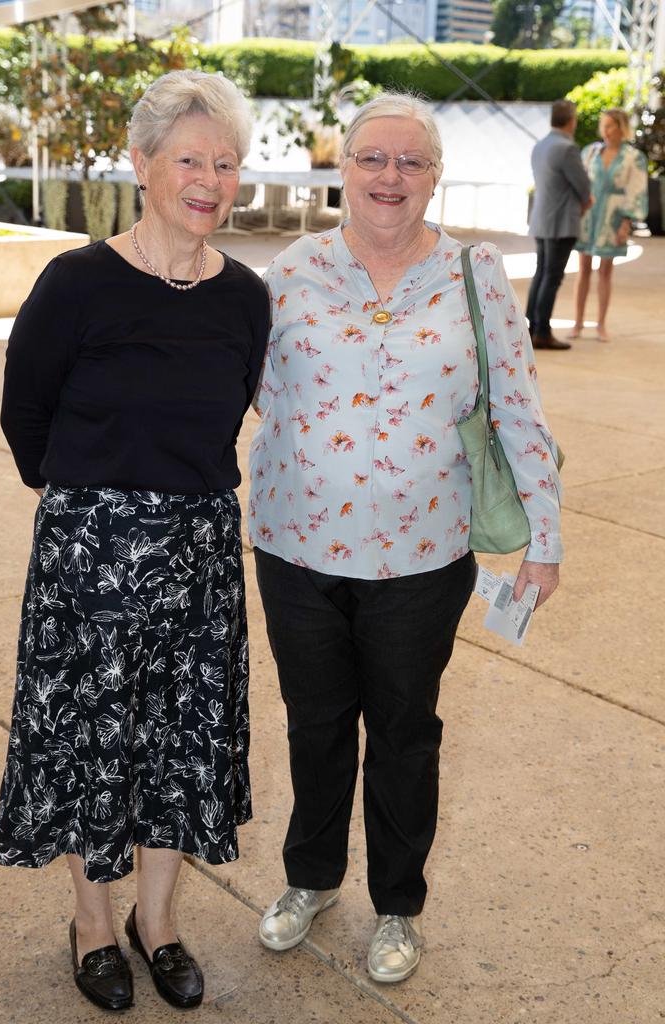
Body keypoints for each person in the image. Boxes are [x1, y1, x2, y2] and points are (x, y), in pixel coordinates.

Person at [248, 93, 563, 984]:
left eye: (411, 162)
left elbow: (519, 408)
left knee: (402, 731)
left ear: (434, 177)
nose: (390, 177)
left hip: (424, 557)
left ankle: (397, 904)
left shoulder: (476, 273)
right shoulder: (293, 269)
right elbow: (254, 389)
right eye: (372, 159)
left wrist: (544, 539)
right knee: (315, 724)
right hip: (293, 545)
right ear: (343, 169)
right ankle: (310, 880)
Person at [0, 69, 269, 1013]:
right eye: (190, 158)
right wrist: (88, 507)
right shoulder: (76, 282)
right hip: (91, 553)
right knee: (91, 748)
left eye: (226, 163)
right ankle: (94, 925)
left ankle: (160, 924)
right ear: (143, 162)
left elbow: (239, 411)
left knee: (177, 748)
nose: (210, 178)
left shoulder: (246, 297)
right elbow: (24, 413)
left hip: (198, 555)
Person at [570, 107, 649, 342]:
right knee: (582, 269)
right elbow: (580, 183)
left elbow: (637, 191)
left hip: (612, 218)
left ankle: (601, 325)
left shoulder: (634, 157)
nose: (604, 131)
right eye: (602, 126)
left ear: (621, 128)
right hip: (589, 216)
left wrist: (626, 222)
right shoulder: (591, 152)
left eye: (609, 126)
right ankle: (578, 323)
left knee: (605, 271)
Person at [526, 98, 592, 351]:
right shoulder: (567, 148)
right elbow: (584, 187)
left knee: (541, 273)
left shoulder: (541, 145)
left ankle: (531, 328)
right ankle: (542, 331)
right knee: (552, 277)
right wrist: (586, 201)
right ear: (572, 120)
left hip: (542, 219)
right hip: (562, 222)